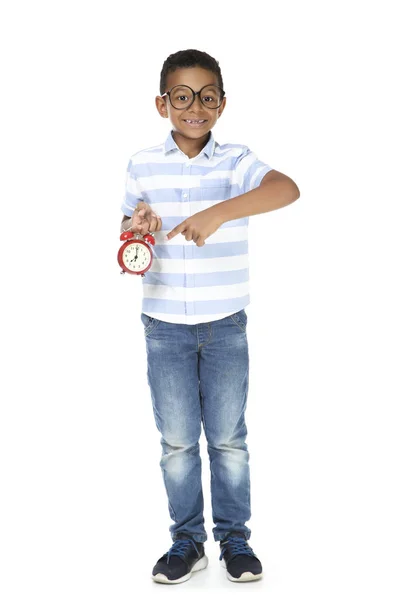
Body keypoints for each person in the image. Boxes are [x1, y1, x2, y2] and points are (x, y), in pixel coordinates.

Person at [120, 49, 300, 584]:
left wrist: (216, 212)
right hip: (164, 326)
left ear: (222, 103)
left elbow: (285, 189)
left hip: (225, 326)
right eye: (182, 97)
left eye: (206, 97)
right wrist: (140, 227)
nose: (194, 107)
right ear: (162, 103)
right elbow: (128, 244)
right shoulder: (141, 164)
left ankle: (235, 540)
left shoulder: (236, 161)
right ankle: (187, 541)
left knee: (227, 439)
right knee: (176, 441)